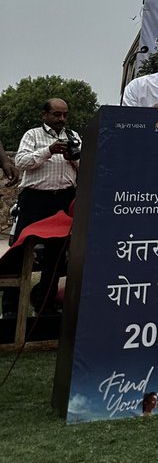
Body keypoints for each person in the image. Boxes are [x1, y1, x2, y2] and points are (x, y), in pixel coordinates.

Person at [8, 98, 80, 313]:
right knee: (20, 252)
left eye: (65, 114)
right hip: (35, 199)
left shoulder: (73, 136)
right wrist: (48, 150)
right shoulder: (32, 135)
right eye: (57, 114)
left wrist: (72, 158)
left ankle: (46, 305)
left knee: (56, 256)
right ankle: (11, 309)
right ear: (45, 115)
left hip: (64, 199)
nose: (61, 119)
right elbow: (21, 163)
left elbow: (86, 167)